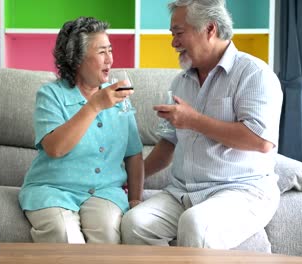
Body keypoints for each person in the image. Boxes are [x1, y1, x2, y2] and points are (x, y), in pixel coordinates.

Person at [121, 0, 283, 250]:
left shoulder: (254, 74)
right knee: (134, 223)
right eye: (172, 35)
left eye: (179, 33)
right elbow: (168, 144)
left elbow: (260, 141)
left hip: (241, 191)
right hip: (183, 192)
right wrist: (128, 176)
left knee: (195, 223)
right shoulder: (180, 83)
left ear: (210, 29)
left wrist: (193, 120)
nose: (173, 42)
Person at [18, 16, 144, 244]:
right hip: (53, 189)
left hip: (105, 191)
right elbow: (55, 148)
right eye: (102, 52)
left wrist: (135, 199)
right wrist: (95, 105)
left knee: (107, 233)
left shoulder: (120, 96)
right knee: (64, 235)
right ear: (76, 59)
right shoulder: (50, 95)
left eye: (111, 50)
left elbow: (133, 153)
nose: (110, 59)